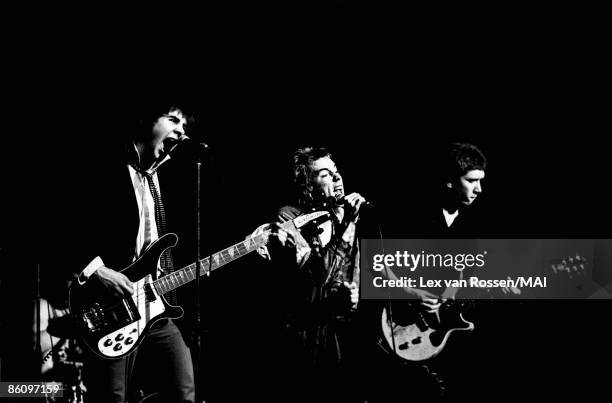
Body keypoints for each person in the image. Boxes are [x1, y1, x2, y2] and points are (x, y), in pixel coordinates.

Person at [67, 100, 197, 403]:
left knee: (183, 392)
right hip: (111, 306)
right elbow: (65, 227)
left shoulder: (166, 178)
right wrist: (98, 271)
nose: (181, 131)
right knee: (112, 396)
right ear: (147, 122)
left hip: (156, 304)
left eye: (185, 126)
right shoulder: (105, 167)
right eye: (173, 120)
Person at [253, 146, 363, 403]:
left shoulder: (342, 218)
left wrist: (354, 295)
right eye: (325, 174)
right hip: (300, 338)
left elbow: (350, 270)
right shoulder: (289, 218)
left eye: (336, 172)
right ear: (306, 185)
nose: (337, 179)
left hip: (336, 336)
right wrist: (349, 223)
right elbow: (319, 275)